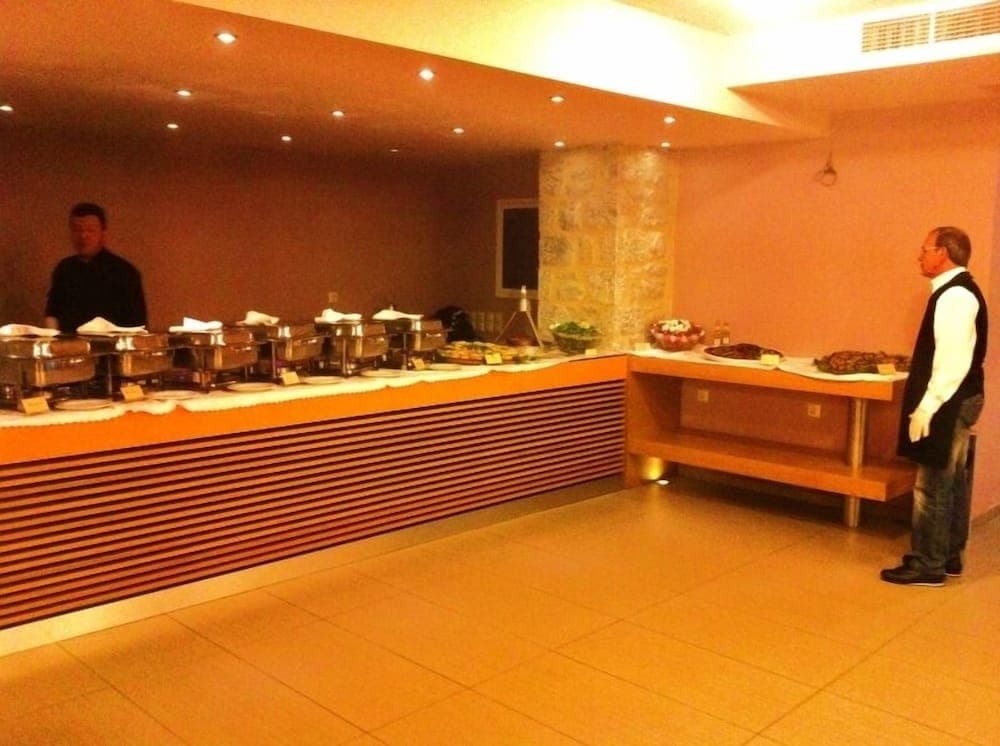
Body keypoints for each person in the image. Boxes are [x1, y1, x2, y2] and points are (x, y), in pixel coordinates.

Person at [881, 226, 987, 586]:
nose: (920, 255)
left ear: (943, 253)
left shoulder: (956, 296)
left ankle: (928, 563)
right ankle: (948, 554)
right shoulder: (956, 291)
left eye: (925, 249)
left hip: (949, 400)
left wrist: (928, 406)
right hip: (958, 397)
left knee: (933, 484)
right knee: (952, 480)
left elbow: (953, 361)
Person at [44, 203, 148, 333]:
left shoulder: (124, 273)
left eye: (90, 230)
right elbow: (53, 313)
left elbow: (137, 325)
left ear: (103, 234)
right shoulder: (64, 269)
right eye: (77, 230)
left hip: (111, 344)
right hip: (68, 344)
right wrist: (53, 338)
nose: (83, 236)